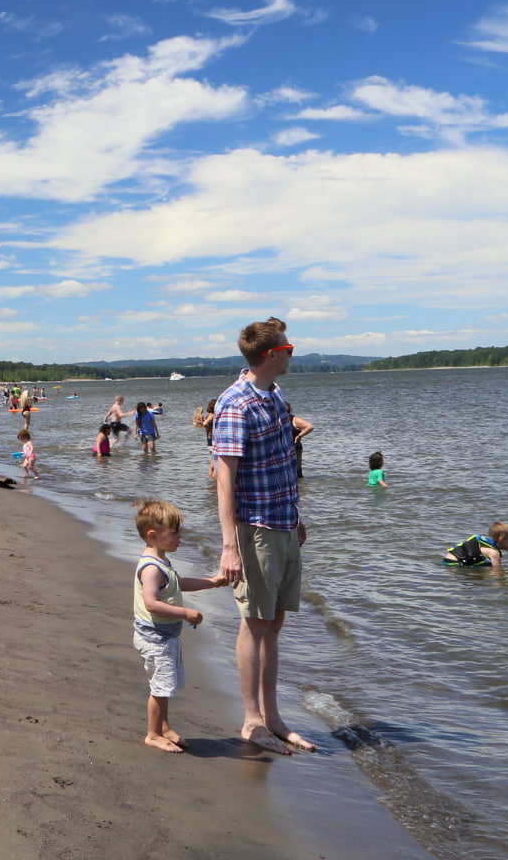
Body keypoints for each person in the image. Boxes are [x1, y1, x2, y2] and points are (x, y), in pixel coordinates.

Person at [213, 316, 316, 755]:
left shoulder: (274, 394)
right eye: (288, 349)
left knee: (273, 622)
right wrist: (229, 546)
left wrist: (295, 517)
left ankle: (273, 718)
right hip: (255, 528)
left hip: (283, 522)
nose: (292, 353)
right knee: (255, 624)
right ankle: (252, 721)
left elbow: (281, 461)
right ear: (271, 355)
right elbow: (224, 479)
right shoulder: (235, 403)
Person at [132, 499, 227, 753]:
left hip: (164, 636)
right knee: (160, 687)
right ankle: (153, 734)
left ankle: (164, 727)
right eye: (174, 533)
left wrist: (212, 582)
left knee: (165, 685)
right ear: (153, 536)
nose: (179, 538)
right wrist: (185, 613)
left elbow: (179, 583)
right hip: (155, 639)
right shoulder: (151, 568)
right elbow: (151, 603)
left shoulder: (161, 561)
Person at [443, 522, 508, 568]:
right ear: (502, 539)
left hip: (447, 560)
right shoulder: (494, 553)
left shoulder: (482, 543)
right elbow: (497, 571)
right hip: (455, 564)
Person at [286, 403, 314, 479]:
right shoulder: (276, 420)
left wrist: (299, 436)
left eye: (287, 411)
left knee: (296, 469)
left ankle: (299, 483)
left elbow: (310, 427)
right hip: (282, 447)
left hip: (294, 446)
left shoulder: (294, 420)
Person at [202, 398, 217, 479]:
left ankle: (211, 478)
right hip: (212, 441)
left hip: (210, 442)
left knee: (212, 461)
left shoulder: (209, 415)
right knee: (215, 462)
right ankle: (214, 479)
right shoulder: (212, 415)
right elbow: (205, 423)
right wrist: (211, 431)